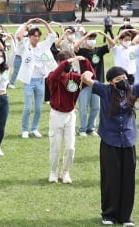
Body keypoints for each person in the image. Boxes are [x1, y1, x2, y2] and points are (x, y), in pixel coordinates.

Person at [81, 66, 139, 227]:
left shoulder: (133, 89)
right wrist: (89, 72)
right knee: (111, 178)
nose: (122, 81)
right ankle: (108, 214)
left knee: (128, 179)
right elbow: (86, 77)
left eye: (123, 77)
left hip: (128, 141)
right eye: (117, 79)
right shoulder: (105, 90)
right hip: (110, 141)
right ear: (111, 82)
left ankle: (125, 216)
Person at [46, 51, 95, 184]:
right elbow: (55, 75)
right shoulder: (52, 77)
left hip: (70, 115)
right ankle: (53, 171)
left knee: (70, 147)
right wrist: (66, 62)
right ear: (59, 63)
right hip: (56, 115)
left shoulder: (75, 78)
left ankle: (65, 172)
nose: (68, 65)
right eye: (66, 62)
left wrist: (84, 61)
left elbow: (91, 76)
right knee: (55, 146)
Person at [16, 18, 58, 138]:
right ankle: (25, 130)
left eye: (38, 36)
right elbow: (19, 37)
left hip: (40, 80)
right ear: (29, 36)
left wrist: (45, 23)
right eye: (34, 36)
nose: (37, 38)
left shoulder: (43, 46)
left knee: (39, 108)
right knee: (28, 107)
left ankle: (34, 128)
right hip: (29, 81)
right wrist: (27, 23)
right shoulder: (25, 46)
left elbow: (52, 35)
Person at [74, 31, 114, 136]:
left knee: (96, 107)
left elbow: (112, 44)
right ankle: (82, 129)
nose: (92, 40)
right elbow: (75, 46)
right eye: (90, 38)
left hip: (97, 83)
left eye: (93, 38)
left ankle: (91, 128)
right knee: (83, 108)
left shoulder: (99, 50)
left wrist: (103, 33)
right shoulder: (82, 51)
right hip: (85, 84)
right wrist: (85, 36)